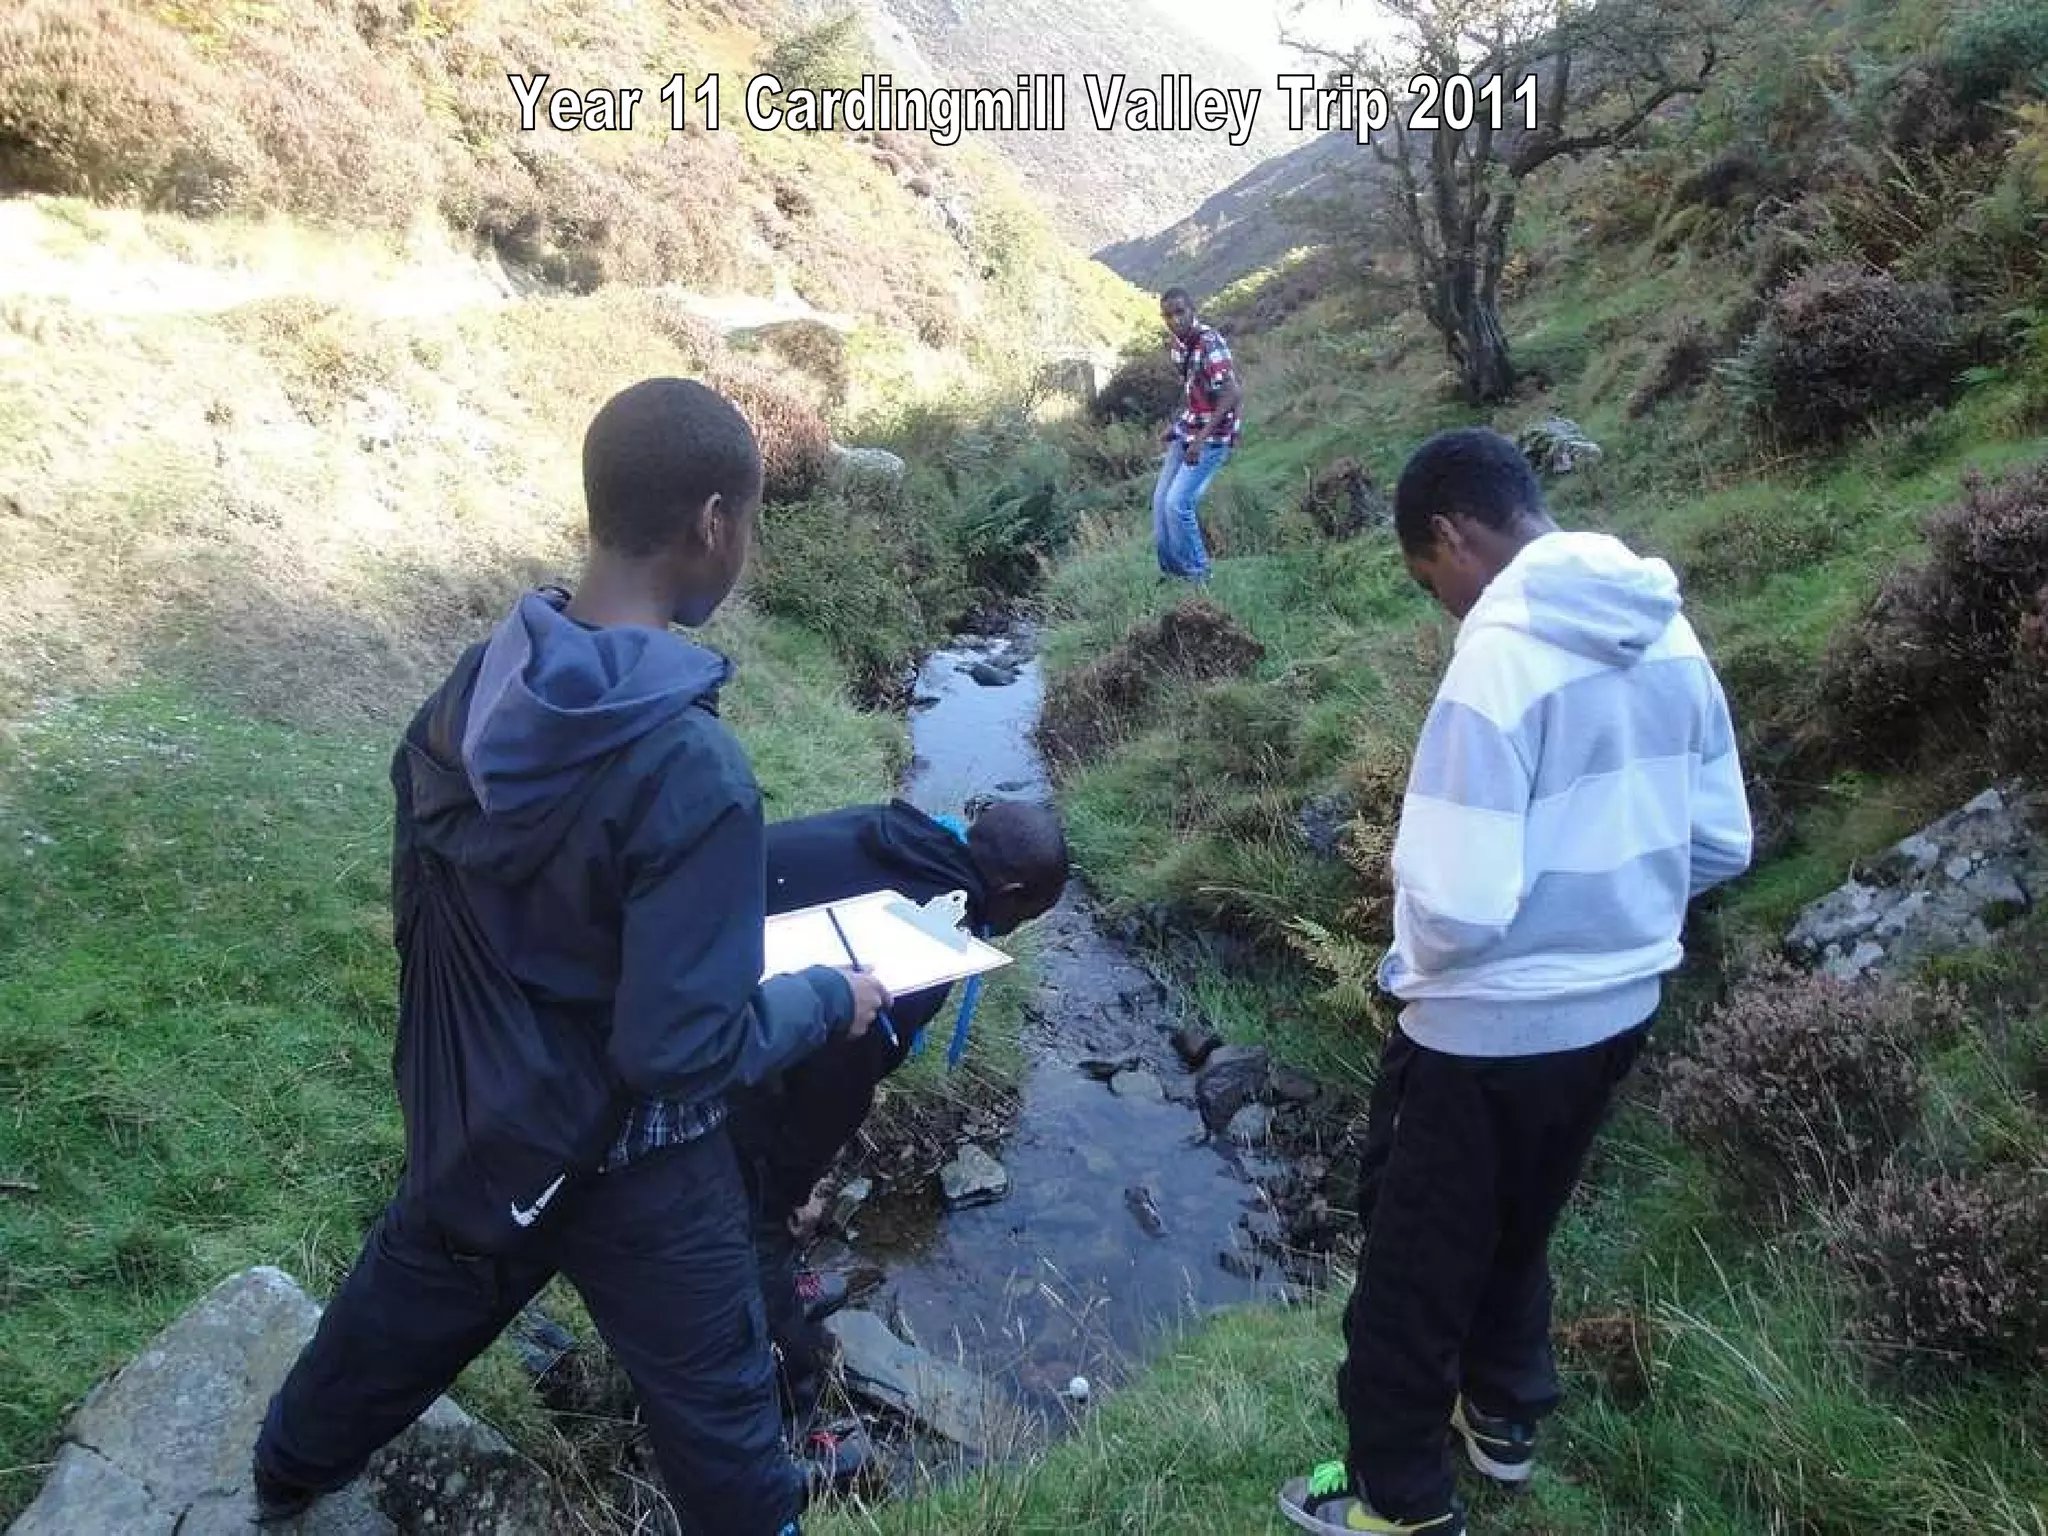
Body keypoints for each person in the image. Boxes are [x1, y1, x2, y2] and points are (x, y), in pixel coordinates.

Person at [250, 378, 889, 1536]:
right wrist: (819, 999)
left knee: (395, 1314)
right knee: (723, 1426)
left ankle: (282, 1473)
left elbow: (434, 900)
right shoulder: (691, 768)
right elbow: (678, 1049)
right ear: (710, 522)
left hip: (485, 1117)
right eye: (747, 521)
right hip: (641, 1169)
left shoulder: (474, 688)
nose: (742, 545)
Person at [1277, 427, 1753, 1536]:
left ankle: (1396, 1500)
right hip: (1620, 1007)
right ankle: (1502, 1421)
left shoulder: (1495, 659)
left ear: (1450, 533)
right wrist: (1607, 917)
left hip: (1482, 1031)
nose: (1436, 603)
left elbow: (1455, 900)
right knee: (1520, 1225)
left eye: (1425, 577)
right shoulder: (1665, 629)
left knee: (1411, 1262)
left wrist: (1413, 974)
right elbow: (1720, 842)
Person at [726, 797, 1069, 1470]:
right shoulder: (923, 940)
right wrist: (792, 1192)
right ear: (1012, 891)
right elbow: (838, 1080)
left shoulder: (892, 833)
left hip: (714, 969)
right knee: (755, 1225)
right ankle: (787, 1426)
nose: (1015, 932)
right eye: (1024, 918)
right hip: (715, 1027)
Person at [1152, 286, 1242, 583]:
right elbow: (1195, 391)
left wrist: (1200, 440)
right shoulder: (1178, 345)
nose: (1175, 320)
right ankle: (1173, 574)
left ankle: (1199, 576)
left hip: (1211, 437)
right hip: (1189, 430)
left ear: (1193, 310)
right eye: (1168, 315)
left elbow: (1231, 394)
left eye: (1180, 312)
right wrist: (1177, 426)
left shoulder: (1209, 343)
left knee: (1178, 504)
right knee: (1160, 502)